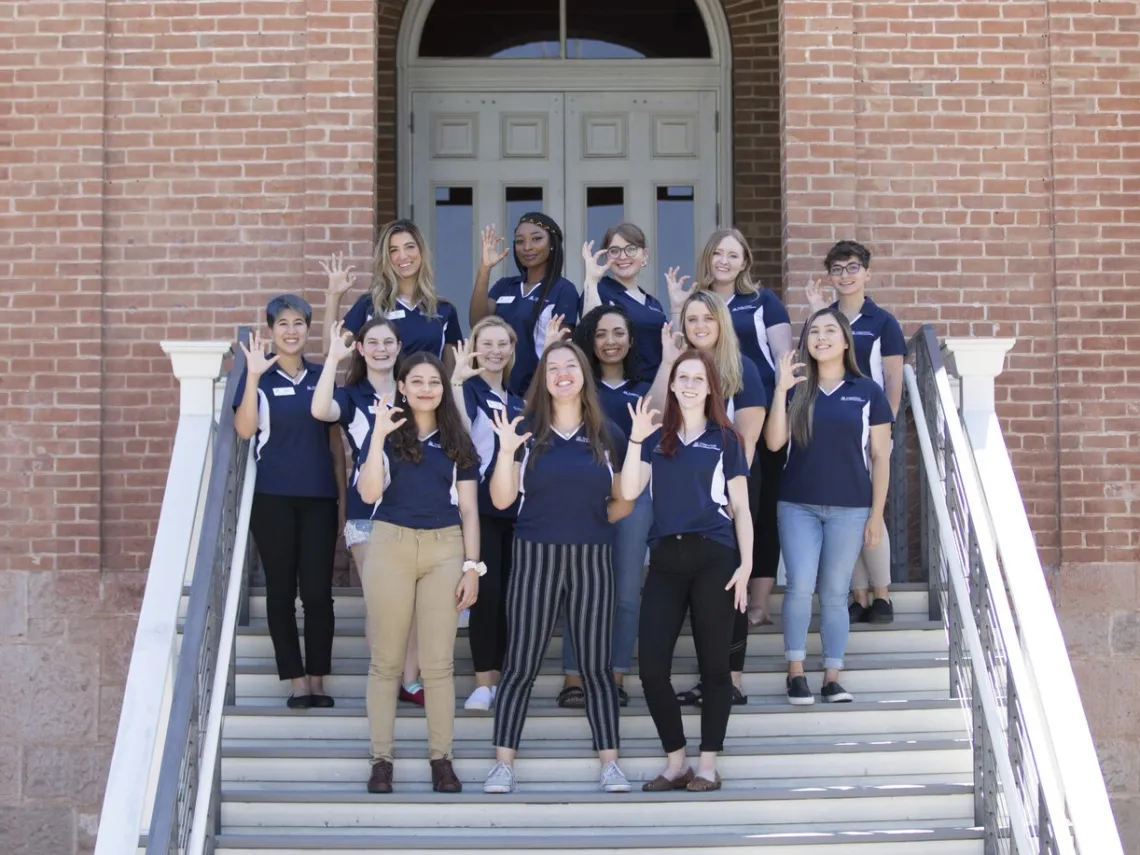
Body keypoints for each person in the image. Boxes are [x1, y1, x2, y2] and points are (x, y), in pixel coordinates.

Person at [483, 341, 633, 795]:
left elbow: (624, 500)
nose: (563, 373)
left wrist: (590, 523)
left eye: (571, 365)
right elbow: (502, 500)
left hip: (591, 558)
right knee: (521, 665)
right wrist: (507, 451)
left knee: (594, 667)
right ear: (543, 378)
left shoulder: (608, 434)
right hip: (535, 557)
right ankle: (503, 765)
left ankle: (610, 763)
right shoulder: (524, 431)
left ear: (584, 374)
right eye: (554, 367)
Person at [621, 349, 753, 791]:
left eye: (700, 377)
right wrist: (636, 439)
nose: (691, 384)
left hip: (715, 557)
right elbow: (628, 489)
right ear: (673, 385)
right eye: (684, 377)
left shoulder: (727, 438)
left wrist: (747, 566)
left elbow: (741, 509)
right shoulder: (657, 437)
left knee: (715, 667)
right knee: (652, 669)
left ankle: (708, 766)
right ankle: (676, 761)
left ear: (711, 386)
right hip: (665, 562)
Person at [355, 352, 482, 794]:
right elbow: (370, 492)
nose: (427, 388)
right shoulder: (387, 434)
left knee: (438, 664)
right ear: (402, 387)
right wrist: (375, 437)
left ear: (443, 389)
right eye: (417, 381)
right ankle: (381, 759)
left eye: (435, 381)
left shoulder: (457, 440)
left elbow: (469, 510)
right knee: (386, 661)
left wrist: (472, 567)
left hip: (444, 549)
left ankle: (441, 759)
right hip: (389, 544)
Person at [764, 309, 893, 705]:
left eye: (830, 330)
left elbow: (880, 456)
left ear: (845, 339)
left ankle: (832, 676)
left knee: (836, 593)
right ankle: (797, 672)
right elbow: (772, 444)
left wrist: (876, 514)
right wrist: (780, 388)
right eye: (814, 331)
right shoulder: (797, 387)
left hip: (851, 508)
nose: (821, 337)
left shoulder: (867, 390)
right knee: (801, 586)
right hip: (797, 504)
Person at [669, 228, 791, 632]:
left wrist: (777, 409)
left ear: (745, 262)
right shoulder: (695, 302)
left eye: (733, 254)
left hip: (752, 411)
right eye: (717, 253)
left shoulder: (762, 301)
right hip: (706, 416)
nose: (724, 260)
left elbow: (782, 357)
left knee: (757, 510)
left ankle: (758, 601)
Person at [650, 289, 766, 706]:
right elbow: (653, 417)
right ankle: (709, 678)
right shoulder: (680, 369)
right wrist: (667, 362)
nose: (699, 326)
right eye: (692, 319)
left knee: (730, 586)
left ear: (722, 323)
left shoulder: (744, 369)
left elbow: (749, 435)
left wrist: (730, 492)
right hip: (684, 485)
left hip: (730, 481)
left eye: (707, 318)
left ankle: (730, 679)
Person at [309, 317, 427, 706]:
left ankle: (410, 682)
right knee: (381, 604)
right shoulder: (352, 395)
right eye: (372, 342)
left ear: (398, 347)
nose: (380, 349)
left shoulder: (414, 392)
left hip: (412, 509)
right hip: (367, 512)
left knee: (411, 603)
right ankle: (385, 679)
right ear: (360, 349)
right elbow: (320, 408)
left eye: (388, 342)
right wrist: (332, 358)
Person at [233, 295, 340, 709]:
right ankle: (295, 681)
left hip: (319, 498)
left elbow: (334, 444)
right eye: (283, 323)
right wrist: (254, 377)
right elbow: (244, 431)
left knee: (317, 593)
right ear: (271, 330)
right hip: (273, 497)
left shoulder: (321, 375)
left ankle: (317, 679)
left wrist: (342, 501)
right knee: (280, 591)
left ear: (307, 330)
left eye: (299, 323)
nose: (291, 330)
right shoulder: (259, 375)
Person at [549, 305, 653, 709]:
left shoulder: (643, 389)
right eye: (601, 334)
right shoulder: (577, 385)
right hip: (584, 495)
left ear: (630, 340)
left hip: (634, 495)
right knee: (581, 590)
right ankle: (574, 677)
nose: (610, 341)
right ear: (589, 343)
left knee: (626, 592)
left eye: (618, 333)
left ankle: (616, 674)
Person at [806, 240, 906, 624]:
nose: (844, 276)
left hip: (870, 427)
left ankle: (882, 595)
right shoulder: (826, 317)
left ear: (867, 272)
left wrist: (886, 424)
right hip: (833, 430)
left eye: (852, 268)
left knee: (870, 509)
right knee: (845, 510)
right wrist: (817, 313)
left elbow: (893, 378)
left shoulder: (882, 322)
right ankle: (858, 594)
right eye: (837, 269)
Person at [448, 316, 525, 711]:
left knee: (512, 596)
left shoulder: (518, 400)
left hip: (516, 508)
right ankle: (483, 681)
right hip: (479, 505)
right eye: (487, 343)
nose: (495, 351)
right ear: (475, 348)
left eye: (502, 343)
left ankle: (505, 680)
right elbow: (460, 431)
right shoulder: (469, 390)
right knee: (486, 591)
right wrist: (457, 382)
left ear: (512, 350)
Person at [321, 219, 463, 370]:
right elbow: (329, 348)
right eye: (393, 250)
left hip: (425, 392)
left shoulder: (444, 309)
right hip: (379, 392)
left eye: (409, 247)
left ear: (421, 251)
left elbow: (450, 377)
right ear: (386, 258)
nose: (403, 256)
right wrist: (334, 296)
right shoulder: (370, 304)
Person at [468, 213, 580, 396]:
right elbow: (477, 323)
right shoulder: (505, 286)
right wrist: (485, 269)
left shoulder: (563, 290)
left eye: (537, 239)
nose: (527, 247)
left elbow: (560, 350)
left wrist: (535, 395)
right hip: (496, 389)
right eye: (520, 241)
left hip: (537, 392)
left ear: (552, 243)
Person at [580, 222, 667, 381]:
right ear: (607, 257)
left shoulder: (654, 304)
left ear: (645, 255)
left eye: (631, 249)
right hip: (618, 387)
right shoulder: (600, 290)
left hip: (655, 388)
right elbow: (588, 333)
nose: (622, 256)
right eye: (614, 251)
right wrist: (591, 281)